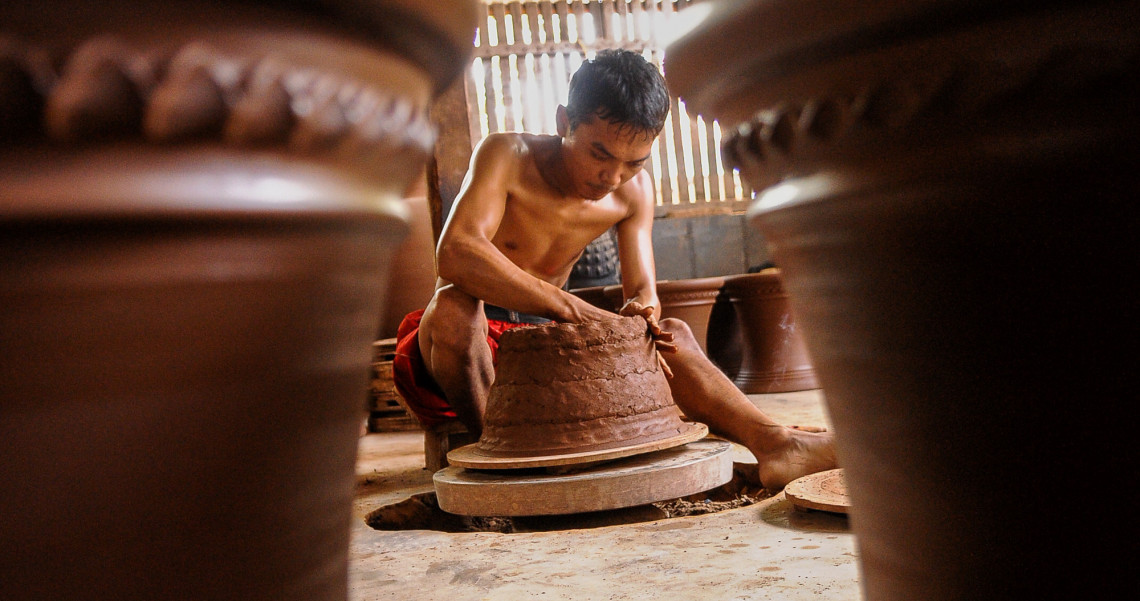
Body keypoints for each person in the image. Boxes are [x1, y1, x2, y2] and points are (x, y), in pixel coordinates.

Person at [393, 49, 835, 491]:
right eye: (599, 153)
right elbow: (455, 252)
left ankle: (776, 445)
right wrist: (571, 308)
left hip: (545, 340)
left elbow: (642, 289)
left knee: (672, 335)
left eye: (634, 161)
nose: (612, 176)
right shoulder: (507, 155)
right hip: (462, 342)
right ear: (564, 123)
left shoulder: (633, 191)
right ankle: (500, 463)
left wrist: (641, 312)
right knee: (454, 307)